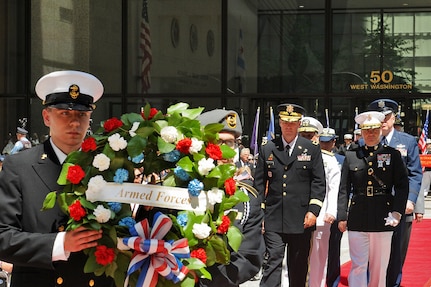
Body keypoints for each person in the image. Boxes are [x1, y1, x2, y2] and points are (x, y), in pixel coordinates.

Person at [0, 70, 114, 287]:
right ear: (46, 117)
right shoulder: (19, 167)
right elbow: (3, 237)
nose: (74, 123)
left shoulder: (105, 166)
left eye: (82, 115)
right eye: (65, 114)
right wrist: (60, 243)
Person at [255, 103, 326, 287]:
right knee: (272, 261)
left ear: (299, 123)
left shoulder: (310, 148)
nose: (288, 126)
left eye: (292, 122)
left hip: (301, 219)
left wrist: (313, 211)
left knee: (298, 265)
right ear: (279, 122)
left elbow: (319, 182)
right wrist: (260, 213)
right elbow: (259, 184)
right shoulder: (268, 148)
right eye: (285, 122)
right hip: (274, 217)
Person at [338, 111, 409, 287]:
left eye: (374, 130)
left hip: (383, 215)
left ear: (380, 130)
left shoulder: (392, 155)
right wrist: (342, 215)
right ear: (361, 132)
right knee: (358, 266)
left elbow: (402, 185)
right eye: (366, 130)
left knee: (379, 267)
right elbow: (344, 188)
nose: (370, 134)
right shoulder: (352, 155)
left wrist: (397, 212)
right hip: (358, 215)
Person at [197, 109, 265, 287]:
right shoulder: (176, 189)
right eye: (219, 142)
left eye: (231, 143)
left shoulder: (246, 199)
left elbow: (249, 257)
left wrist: (202, 278)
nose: (227, 150)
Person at [367, 99, 423, 287]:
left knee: (397, 253)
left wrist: (411, 200)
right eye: (380, 116)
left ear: (394, 118)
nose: (383, 120)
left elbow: (415, 173)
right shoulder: (366, 141)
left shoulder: (407, 142)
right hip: (374, 205)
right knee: (373, 254)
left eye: (387, 116)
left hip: (400, 206)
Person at [308, 126, 341, 287]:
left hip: (321, 216)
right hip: (296, 216)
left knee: (319, 259)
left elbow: (334, 188)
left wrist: (331, 211)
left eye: (310, 135)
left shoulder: (328, 159)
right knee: (292, 259)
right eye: (303, 135)